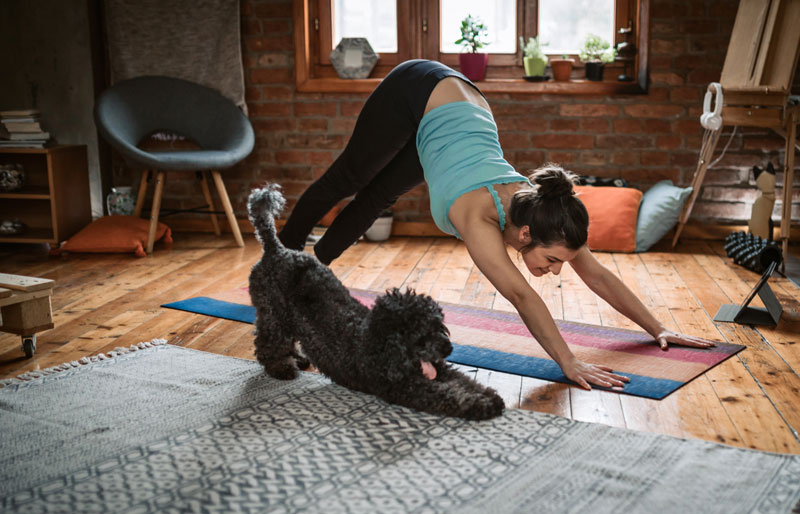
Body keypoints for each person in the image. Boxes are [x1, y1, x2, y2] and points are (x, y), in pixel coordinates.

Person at [279, 59, 717, 390]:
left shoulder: (547, 216)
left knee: (379, 196)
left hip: (459, 109)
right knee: (350, 180)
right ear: (525, 235)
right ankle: (281, 257)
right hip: (418, 88)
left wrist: (657, 327)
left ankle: (311, 266)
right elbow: (522, 295)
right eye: (552, 261)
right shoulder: (479, 219)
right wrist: (568, 362)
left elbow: (596, 273)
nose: (557, 270)